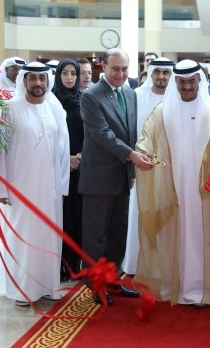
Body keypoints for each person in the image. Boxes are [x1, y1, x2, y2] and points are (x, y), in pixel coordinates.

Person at [134, 59, 210, 308]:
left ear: (199, 81)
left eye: (191, 81)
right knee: (173, 234)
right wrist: (143, 152)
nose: (186, 87)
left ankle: (202, 289)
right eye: (181, 82)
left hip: (203, 187)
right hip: (172, 185)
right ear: (176, 82)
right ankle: (174, 285)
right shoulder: (163, 110)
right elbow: (146, 137)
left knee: (200, 235)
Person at [79, 48, 155, 306]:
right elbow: (102, 134)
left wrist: (132, 167)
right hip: (98, 179)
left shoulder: (130, 93)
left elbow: (130, 134)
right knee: (95, 238)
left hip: (122, 177)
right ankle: (96, 285)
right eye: (115, 68)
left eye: (124, 69)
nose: (120, 74)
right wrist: (132, 156)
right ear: (103, 67)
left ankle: (113, 281)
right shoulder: (91, 96)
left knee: (117, 234)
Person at [0, 62, 70, 306]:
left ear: (48, 81)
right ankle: (23, 290)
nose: (38, 83)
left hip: (51, 188)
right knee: (23, 238)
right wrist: (1, 188)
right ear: (24, 80)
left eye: (42, 78)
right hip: (21, 186)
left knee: (48, 236)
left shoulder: (54, 107)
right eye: (33, 78)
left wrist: (62, 184)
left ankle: (48, 287)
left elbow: (63, 149)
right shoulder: (10, 108)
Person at [122, 57, 174, 276]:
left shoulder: (178, 98)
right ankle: (135, 264)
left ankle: (165, 265)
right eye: (157, 72)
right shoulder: (136, 96)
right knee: (139, 213)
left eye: (166, 72)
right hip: (141, 166)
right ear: (150, 73)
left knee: (167, 214)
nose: (161, 76)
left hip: (170, 168)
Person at [52, 58, 85, 281]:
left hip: (80, 170)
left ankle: (74, 265)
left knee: (76, 218)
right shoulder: (50, 100)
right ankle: (57, 266)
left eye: (74, 73)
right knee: (59, 217)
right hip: (57, 168)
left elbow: (90, 134)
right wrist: (66, 159)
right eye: (65, 73)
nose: (70, 78)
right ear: (58, 75)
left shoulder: (84, 100)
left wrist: (79, 157)